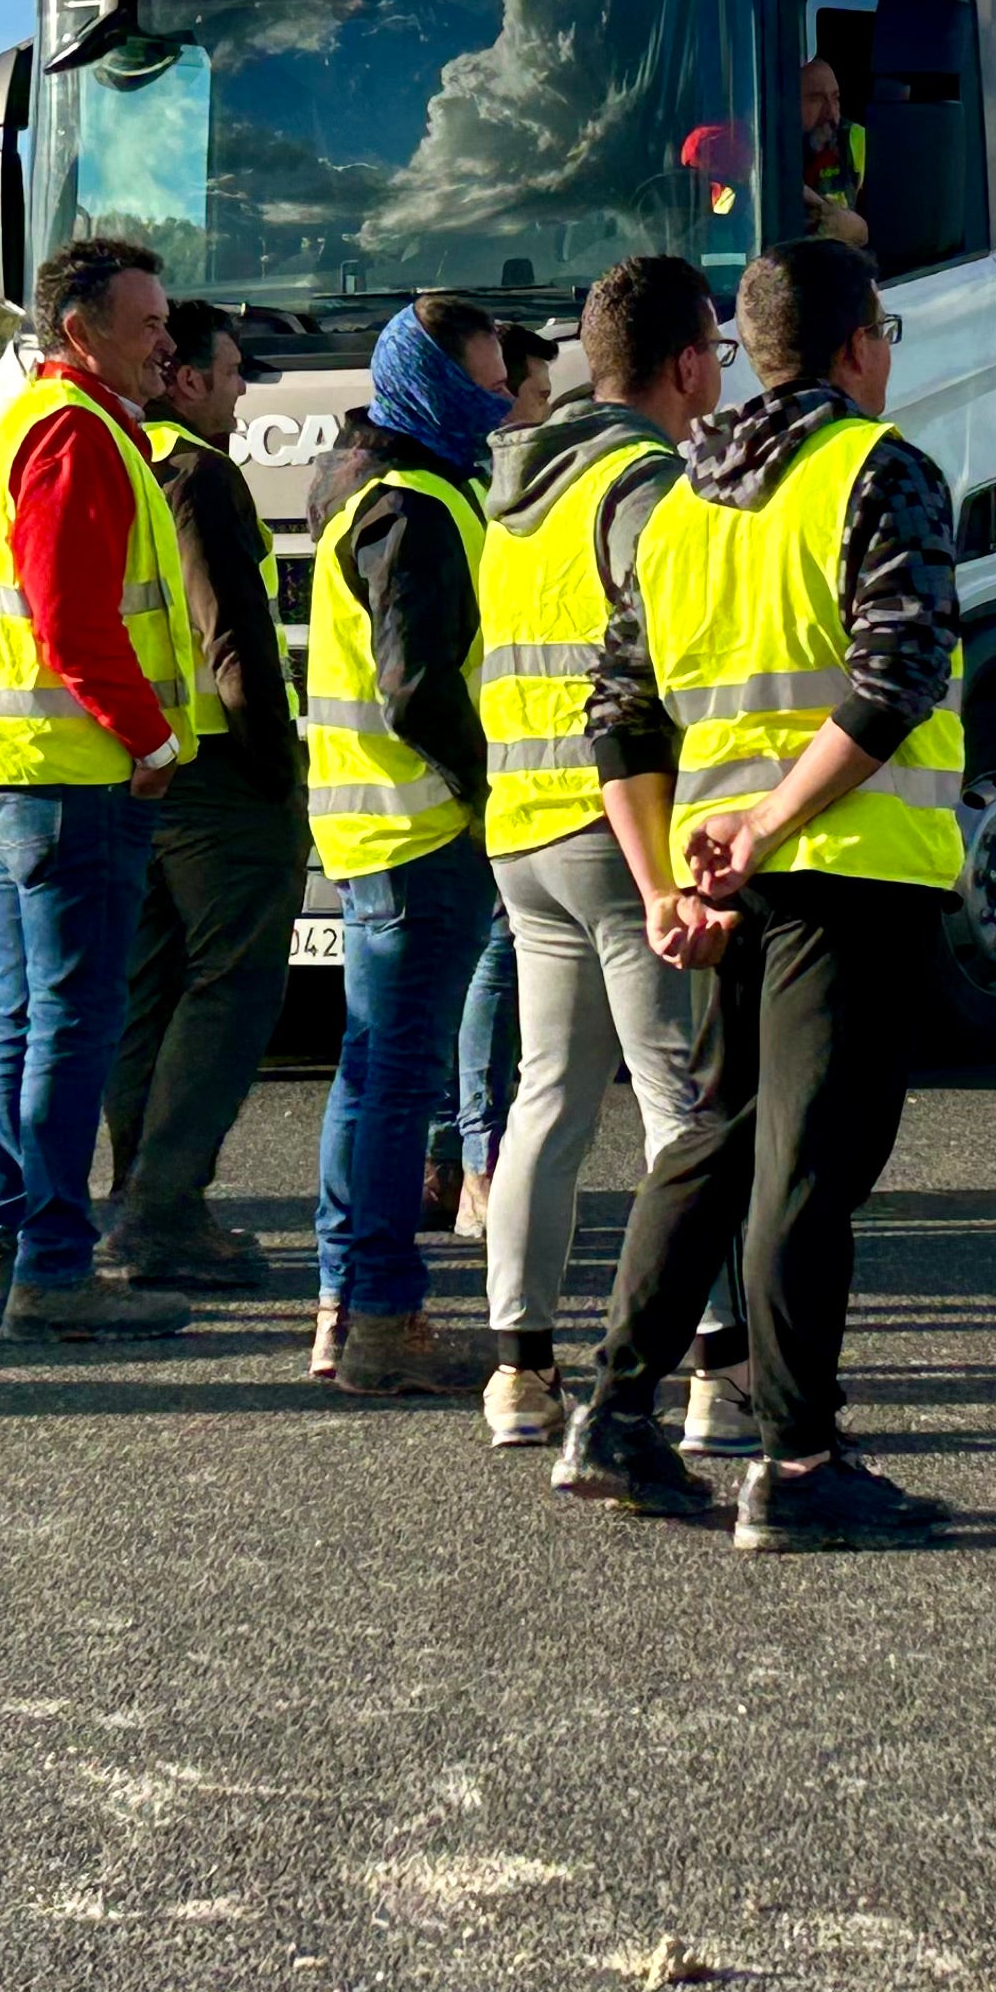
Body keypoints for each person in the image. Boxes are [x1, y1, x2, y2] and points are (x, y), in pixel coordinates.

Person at [553, 236, 962, 1553]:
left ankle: (613, 1416)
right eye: (885, 333)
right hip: (846, 867)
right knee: (806, 1168)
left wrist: (670, 875)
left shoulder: (679, 504)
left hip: (721, 879)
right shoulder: (877, 471)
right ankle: (797, 1460)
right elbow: (897, 677)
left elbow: (618, 717)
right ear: (856, 345)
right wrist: (781, 820)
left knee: (720, 1136)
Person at [470, 255, 722, 1449]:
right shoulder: (644, 483)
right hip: (619, 828)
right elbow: (665, 670)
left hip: (520, 830)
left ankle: (518, 1369)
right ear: (686, 364)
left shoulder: (515, 489)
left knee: (551, 1098)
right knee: (684, 1103)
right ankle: (719, 1371)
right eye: (713, 352)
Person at [0, 238, 199, 1346]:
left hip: (15, 774)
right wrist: (150, 738)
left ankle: (5, 1254)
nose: (167, 343)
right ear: (83, 332)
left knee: (21, 1018)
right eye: (147, 324)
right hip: (70, 777)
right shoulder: (75, 434)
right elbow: (75, 620)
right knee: (69, 1024)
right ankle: (50, 1265)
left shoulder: (35, 424)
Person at [301, 293, 509, 1397]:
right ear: (433, 381)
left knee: (368, 1077)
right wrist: (489, 786)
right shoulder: (417, 506)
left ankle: (350, 1306)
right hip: (422, 831)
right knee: (395, 1082)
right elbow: (419, 681)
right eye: (481, 372)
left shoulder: (362, 488)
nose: (499, 392)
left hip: (370, 827)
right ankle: (380, 1315)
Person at [98, 296, 297, 1295]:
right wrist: (280, 763)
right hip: (222, 771)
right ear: (187, 377)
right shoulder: (201, 474)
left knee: (152, 990)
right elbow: (236, 642)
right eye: (231, 375)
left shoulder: (128, 458)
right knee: (232, 988)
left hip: (150, 763)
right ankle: (163, 1210)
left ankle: (136, 1198)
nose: (241, 392)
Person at [429, 321, 561, 1235]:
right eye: (538, 397)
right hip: (486, 768)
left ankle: (450, 1160)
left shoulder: (473, 490)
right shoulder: (484, 495)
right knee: (489, 961)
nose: (545, 415)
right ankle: (481, 1161)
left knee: (465, 968)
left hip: (479, 763)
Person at [798, 61, 873, 254]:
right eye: (816, 100)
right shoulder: (756, 152)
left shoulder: (856, 142)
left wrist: (857, 229)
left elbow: (888, 226)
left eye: (835, 98)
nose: (831, 113)